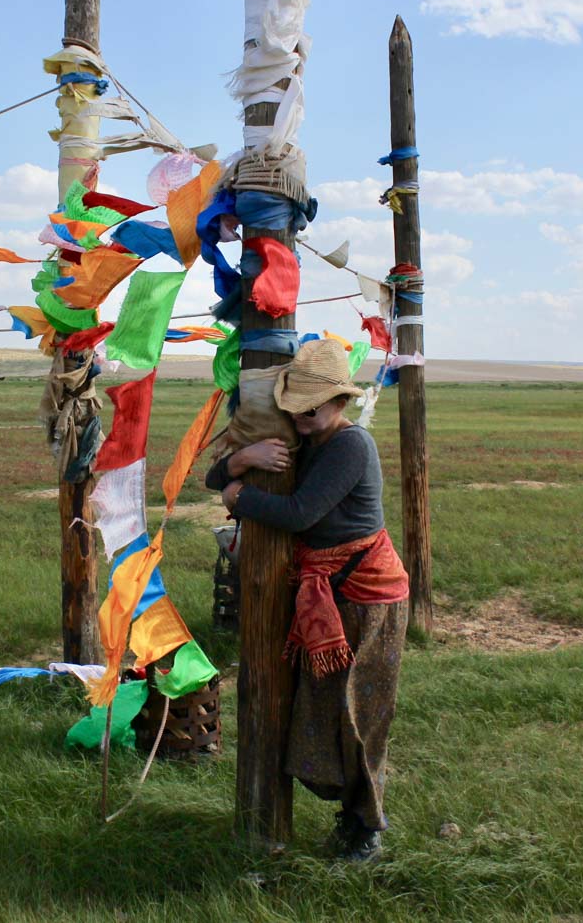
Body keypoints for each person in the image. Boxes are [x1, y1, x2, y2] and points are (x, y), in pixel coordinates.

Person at [205, 339, 410, 861]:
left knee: (361, 714)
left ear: (339, 403)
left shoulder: (349, 445)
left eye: (310, 406)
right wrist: (244, 459)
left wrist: (239, 497)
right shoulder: (302, 438)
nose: (298, 414)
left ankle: (367, 828)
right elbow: (211, 476)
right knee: (322, 710)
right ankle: (350, 818)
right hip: (327, 595)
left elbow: (299, 514)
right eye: (293, 404)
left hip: (367, 598)